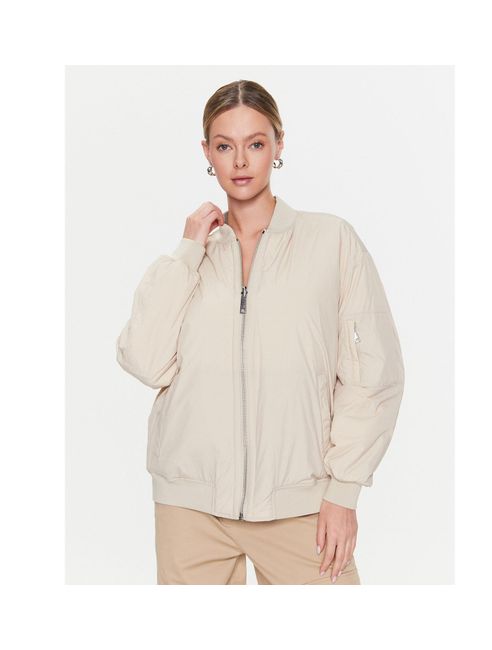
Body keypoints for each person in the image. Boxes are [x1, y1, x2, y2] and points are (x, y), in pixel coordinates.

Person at [116, 79, 405, 585]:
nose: (240, 161)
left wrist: (344, 491)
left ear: (278, 145)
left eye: (254, 143)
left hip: (301, 505)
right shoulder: (193, 258)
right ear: (207, 153)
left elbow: (373, 374)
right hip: (191, 507)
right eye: (224, 146)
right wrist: (187, 250)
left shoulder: (330, 241)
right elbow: (144, 360)